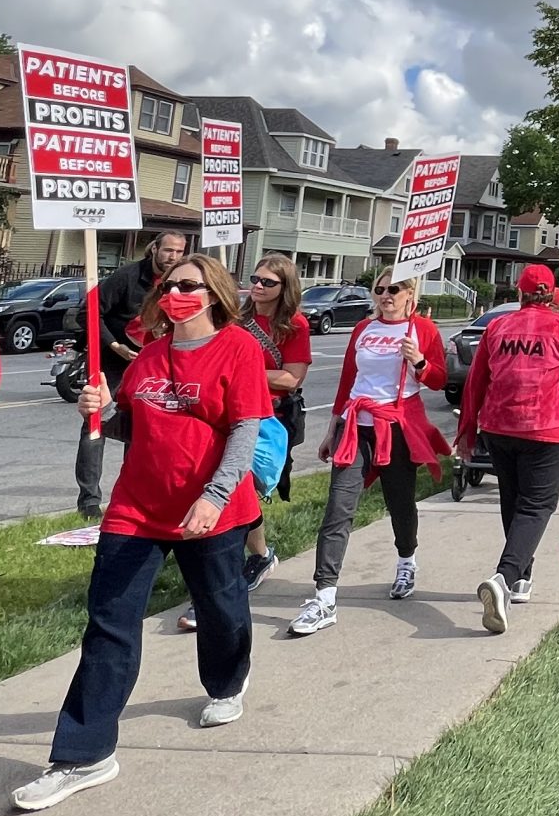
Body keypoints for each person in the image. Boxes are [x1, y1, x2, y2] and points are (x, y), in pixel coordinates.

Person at [12, 254, 266, 812]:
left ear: (215, 294)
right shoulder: (150, 356)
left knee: (221, 608)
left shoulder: (238, 348)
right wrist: (103, 408)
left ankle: (227, 682)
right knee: (109, 623)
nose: (176, 292)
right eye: (169, 285)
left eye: (189, 285)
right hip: (137, 508)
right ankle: (84, 754)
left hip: (210, 509)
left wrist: (215, 495)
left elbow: (246, 429)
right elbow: (133, 423)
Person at [288, 267, 450, 636]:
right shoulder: (363, 329)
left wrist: (419, 361)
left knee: (400, 502)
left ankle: (406, 558)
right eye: (379, 289)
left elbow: (439, 379)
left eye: (394, 289)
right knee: (337, 509)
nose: (385, 296)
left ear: (411, 293)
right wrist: (333, 428)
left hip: (396, 427)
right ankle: (325, 595)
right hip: (355, 425)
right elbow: (348, 379)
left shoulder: (423, 330)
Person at [175, 254, 312, 632]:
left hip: (265, 420)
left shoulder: (293, 325)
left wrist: (243, 371)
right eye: (255, 278)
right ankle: (259, 557)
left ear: (285, 287)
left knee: (237, 488)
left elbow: (291, 379)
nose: (258, 286)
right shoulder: (234, 315)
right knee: (236, 493)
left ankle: (214, 590)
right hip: (218, 412)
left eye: (268, 282)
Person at [458, 263, 559, 632]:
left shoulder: (497, 326)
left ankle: (520, 578)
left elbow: (476, 380)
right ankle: (503, 578)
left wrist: (468, 428)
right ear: (551, 294)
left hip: (500, 426)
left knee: (513, 500)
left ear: (519, 292)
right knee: (536, 506)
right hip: (547, 427)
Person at [72, 227, 190, 519]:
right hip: (113, 360)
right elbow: (88, 311)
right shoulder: (126, 278)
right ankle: (89, 501)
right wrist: (113, 345)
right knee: (95, 423)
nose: (172, 257)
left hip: (152, 363)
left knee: (143, 425)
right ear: (154, 249)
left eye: (178, 252)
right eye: (167, 250)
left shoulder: (180, 282)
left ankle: (134, 492)